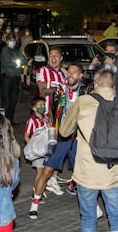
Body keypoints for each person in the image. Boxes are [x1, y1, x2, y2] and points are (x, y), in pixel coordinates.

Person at [59, 69, 118, 231]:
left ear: (96, 84)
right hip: (114, 173)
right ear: (113, 85)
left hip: (87, 173)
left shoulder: (83, 101)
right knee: (117, 219)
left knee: (89, 217)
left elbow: (64, 131)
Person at [29, 63, 85, 219]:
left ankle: (93, 207)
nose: (70, 75)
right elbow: (52, 110)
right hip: (59, 136)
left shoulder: (86, 92)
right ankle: (34, 205)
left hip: (78, 137)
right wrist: (51, 125)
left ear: (80, 76)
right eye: (69, 72)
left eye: (74, 73)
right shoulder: (59, 91)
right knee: (46, 170)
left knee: (82, 173)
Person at [35, 47, 66, 196]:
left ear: (61, 58)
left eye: (56, 55)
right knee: (46, 149)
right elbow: (42, 90)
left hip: (61, 117)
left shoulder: (64, 73)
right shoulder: (42, 71)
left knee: (58, 147)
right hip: (46, 116)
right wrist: (58, 90)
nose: (53, 58)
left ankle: (53, 178)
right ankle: (41, 183)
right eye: (51, 55)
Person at [0, 32, 27, 126]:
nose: (12, 42)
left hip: (15, 78)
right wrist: (18, 63)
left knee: (13, 100)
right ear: (7, 41)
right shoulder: (4, 50)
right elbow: (8, 63)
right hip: (7, 78)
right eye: (10, 40)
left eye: (13, 40)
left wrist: (17, 62)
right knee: (6, 101)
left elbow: (24, 59)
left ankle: (10, 120)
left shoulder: (16, 50)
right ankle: (5, 121)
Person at [24, 96, 47, 204]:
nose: (43, 107)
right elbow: (26, 136)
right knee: (40, 171)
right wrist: (33, 147)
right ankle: (36, 192)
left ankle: (39, 189)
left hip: (45, 149)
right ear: (34, 108)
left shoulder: (46, 119)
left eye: (44, 105)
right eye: (40, 105)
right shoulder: (31, 121)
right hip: (37, 151)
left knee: (43, 172)